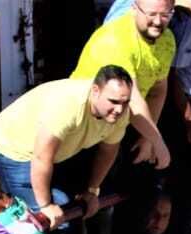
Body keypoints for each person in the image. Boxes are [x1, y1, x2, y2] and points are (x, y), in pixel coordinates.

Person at [0, 67, 136, 228]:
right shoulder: (68, 105)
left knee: (68, 211)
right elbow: (41, 157)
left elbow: (108, 151)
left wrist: (92, 190)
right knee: (43, 221)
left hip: (52, 153)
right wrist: (45, 206)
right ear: (95, 91)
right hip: (13, 148)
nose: (119, 109)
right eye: (113, 101)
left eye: (125, 102)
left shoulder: (120, 114)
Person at [71, 0, 178, 171]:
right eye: (151, 14)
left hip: (118, 124)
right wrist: (158, 143)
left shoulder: (167, 39)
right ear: (134, 9)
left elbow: (157, 90)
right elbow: (133, 100)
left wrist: (148, 137)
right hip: (82, 122)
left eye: (165, 15)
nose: (158, 22)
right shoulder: (116, 39)